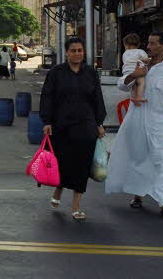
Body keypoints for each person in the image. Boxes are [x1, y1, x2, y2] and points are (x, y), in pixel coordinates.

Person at [105, 31, 163, 219]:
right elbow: (123, 85)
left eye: (153, 44)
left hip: (160, 123)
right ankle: (138, 194)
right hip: (136, 120)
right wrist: (134, 75)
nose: (149, 47)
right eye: (148, 43)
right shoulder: (140, 64)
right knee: (138, 157)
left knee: (162, 160)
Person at [39, 36, 107, 221]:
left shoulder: (91, 73)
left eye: (80, 50)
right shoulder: (56, 73)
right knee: (62, 163)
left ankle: (76, 205)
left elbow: (97, 98)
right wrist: (47, 121)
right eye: (73, 50)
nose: (77, 54)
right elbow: (47, 97)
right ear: (66, 53)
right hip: (61, 126)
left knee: (82, 166)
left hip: (86, 126)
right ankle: (58, 190)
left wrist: (99, 123)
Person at [121, 33, 150, 105]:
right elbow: (145, 60)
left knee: (133, 86)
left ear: (127, 45)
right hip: (137, 71)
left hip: (127, 72)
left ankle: (133, 98)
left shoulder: (125, 53)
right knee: (141, 83)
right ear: (138, 44)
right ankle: (139, 97)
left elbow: (125, 62)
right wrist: (148, 60)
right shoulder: (140, 51)